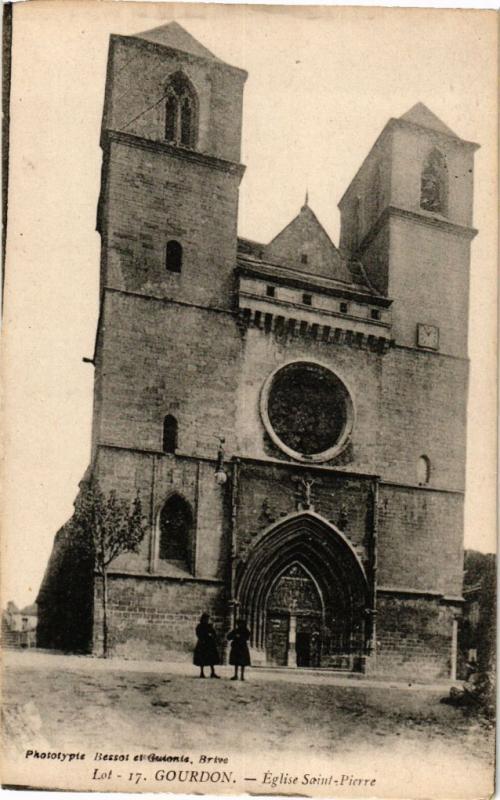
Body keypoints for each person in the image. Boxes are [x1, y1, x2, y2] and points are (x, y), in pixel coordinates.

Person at [193, 613, 220, 678]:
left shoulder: (209, 626)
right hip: (202, 643)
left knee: (211, 658)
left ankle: (212, 672)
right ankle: (202, 673)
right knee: (202, 658)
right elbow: (198, 634)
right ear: (203, 619)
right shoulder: (199, 626)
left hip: (210, 644)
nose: (206, 620)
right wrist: (206, 635)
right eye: (205, 619)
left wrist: (212, 635)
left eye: (207, 619)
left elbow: (214, 633)